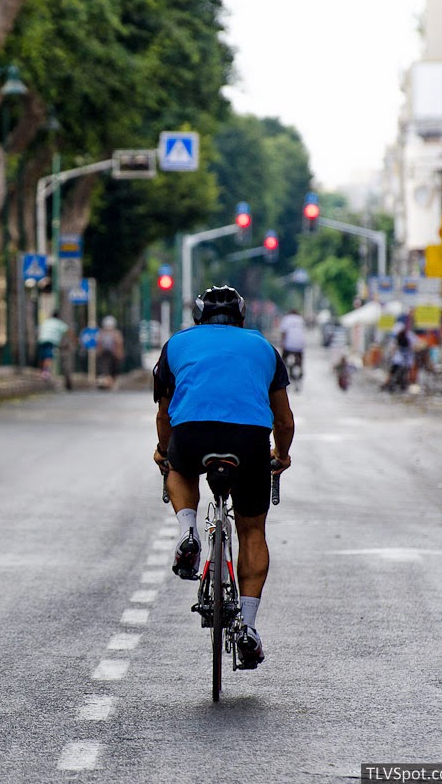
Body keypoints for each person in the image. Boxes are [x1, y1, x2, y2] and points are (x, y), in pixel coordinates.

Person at [152, 285, 295, 670]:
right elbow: (283, 420)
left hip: (193, 434)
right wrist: (280, 456)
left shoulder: (177, 345)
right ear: (242, 319)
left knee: (178, 469)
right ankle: (247, 628)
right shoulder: (264, 348)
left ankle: (188, 531)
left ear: (197, 319)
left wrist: (165, 452)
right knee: (252, 532)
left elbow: (165, 416)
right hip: (248, 441)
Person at [37, 311, 70, 384]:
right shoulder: (59, 323)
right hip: (51, 341)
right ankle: (45, 372)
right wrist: (75, 340)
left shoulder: (46, 321)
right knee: (48, 356)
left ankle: (42, 371)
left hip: (42, 339)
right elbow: (67, 331)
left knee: (42, 356)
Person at [96, 315, 124, 390]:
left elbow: (119, 344)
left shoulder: (116, 334)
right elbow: (99, 344)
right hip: (105, 355)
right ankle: (107, 383)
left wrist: (119, 354)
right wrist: (99, 353)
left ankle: (111, 383)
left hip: (113, 355)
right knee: (105, 370)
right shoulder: (101, 333)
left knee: (114, 370)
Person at [279, 308, 306, 382]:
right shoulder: (300, 319)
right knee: (300, 357)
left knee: (283, 359)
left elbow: (283, 333)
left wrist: (282, 343)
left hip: (289, 345)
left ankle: (282, 372)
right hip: (299, 345)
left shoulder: (286, 319)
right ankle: (300, 370)